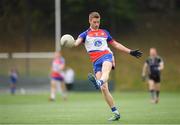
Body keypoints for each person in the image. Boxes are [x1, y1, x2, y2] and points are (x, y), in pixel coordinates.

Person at [73, 12, 142, 121]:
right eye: (94, 22)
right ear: (90, 21)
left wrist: (130, 51)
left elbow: (116, 44)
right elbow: (76, 43)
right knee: (104, 89)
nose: (96, 24)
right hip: (95, 62)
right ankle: (116, 113)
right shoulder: (84, 34)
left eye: (98, 22)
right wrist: (69, 41)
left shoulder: (104, 32)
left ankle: (98, 82)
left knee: (105, 74)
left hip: (106, 56)